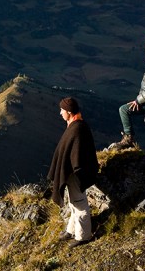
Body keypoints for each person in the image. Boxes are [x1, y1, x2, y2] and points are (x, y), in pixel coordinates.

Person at [48, 97, 99, 248]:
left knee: (79, 203)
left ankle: (84, 235)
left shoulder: (77, 128)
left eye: (62, 110)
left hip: (76, 174)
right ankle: (71, 230)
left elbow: (77, 156)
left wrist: (76, 171)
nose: (60, 113)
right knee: (73, 202)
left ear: (69, 112)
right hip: (71, 172)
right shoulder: (74, 125)